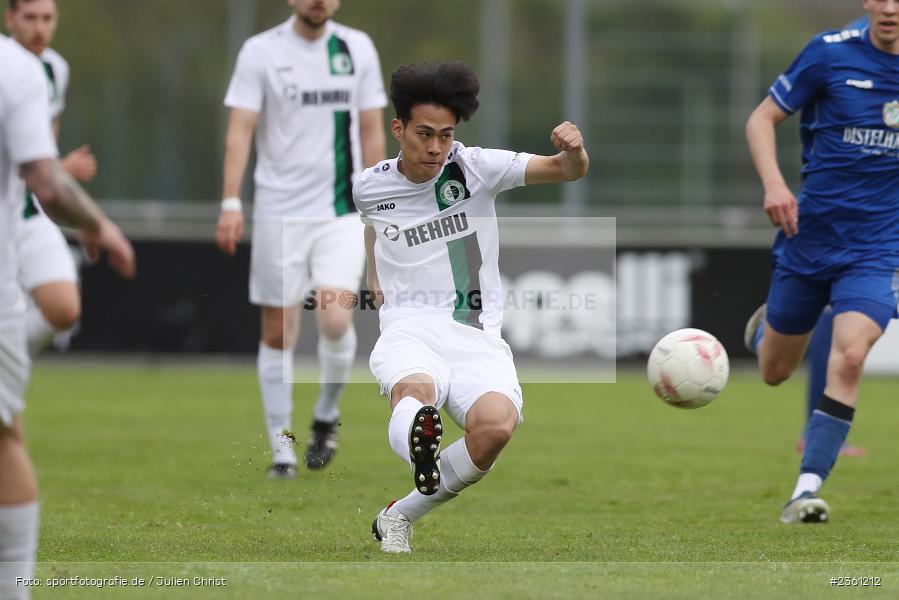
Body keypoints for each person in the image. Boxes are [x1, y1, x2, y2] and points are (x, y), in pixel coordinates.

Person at [355, 61, 589, 553]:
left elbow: (564, 170)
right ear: (398, 129)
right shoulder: (369, 186)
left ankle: (398, 515)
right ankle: (420, 436)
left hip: (475, 334)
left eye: (445, 135)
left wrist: (575, 151)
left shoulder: (477, 167)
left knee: (496, 428)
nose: (436, 147)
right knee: (414, 390)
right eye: (423, 134)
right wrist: (375, 284)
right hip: (409, 328)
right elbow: (370, 230)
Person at [216, 0, 387, 478]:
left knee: (334, 319)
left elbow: (372, 128)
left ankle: (327, 415)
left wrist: (378, 200)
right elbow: (240, 131)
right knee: (279, 330)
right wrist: (231, 202)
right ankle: (282, 448)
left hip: (340, 212)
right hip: (278, 212)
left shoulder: (356, 48)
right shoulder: (260, 51)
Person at [744, 0, 899, 524]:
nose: (891, 9)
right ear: (868, 3)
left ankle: (804, 491)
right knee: (774, 372)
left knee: (851, 357)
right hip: (808, 241)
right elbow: (762, 118)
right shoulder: (829, 54)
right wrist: (774, 185)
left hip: (877, 250)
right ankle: (766, 331)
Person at [0, 35, 135, 599]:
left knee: (62, 305)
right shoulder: (15, 68)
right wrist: (98, 225)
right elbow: (47, 182)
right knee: (5, 437)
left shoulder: (40, 66)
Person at [5, 0, 99, 357]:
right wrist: (61, 170)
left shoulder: (56, 69)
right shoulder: (6, 67)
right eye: (30, 18)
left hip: (28, 210)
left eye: (47, 18)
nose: (39, 28)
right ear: (10, 18)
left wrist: (58, 170)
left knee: (64, 307)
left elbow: (42, 154)